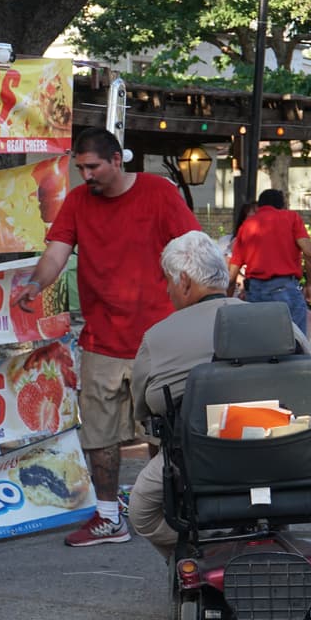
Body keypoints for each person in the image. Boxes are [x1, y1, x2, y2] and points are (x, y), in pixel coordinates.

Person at [14, 128, 201, 547]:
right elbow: (56, 253)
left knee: (163, 436)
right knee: (99, 438)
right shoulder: (78, 202)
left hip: (158, 341)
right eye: (80, 168)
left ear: (117, 160)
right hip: (101, 341)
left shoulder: (159, 192)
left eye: (92, 166)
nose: (86, 175)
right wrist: (35, 284)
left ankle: (170, 510)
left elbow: (193, 248)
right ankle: (109, 518)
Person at [128, 231, 249, 557]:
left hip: (198, 458)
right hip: (284, 455)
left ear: (183, 281)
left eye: (168, 281)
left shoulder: (159, 336)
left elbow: (144, 408)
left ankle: (204, 553)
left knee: (142, 511)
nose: (167, 290)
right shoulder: (277, 321)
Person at [227, 188, 311, 335]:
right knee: (295, 344)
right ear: (283, 205)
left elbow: (232, 274)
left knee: (259, 345)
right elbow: (310, 254)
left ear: (259, 207)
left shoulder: (247, 226)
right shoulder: (291, 218)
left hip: (255, 292)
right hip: (285, 290)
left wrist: (227, 299)